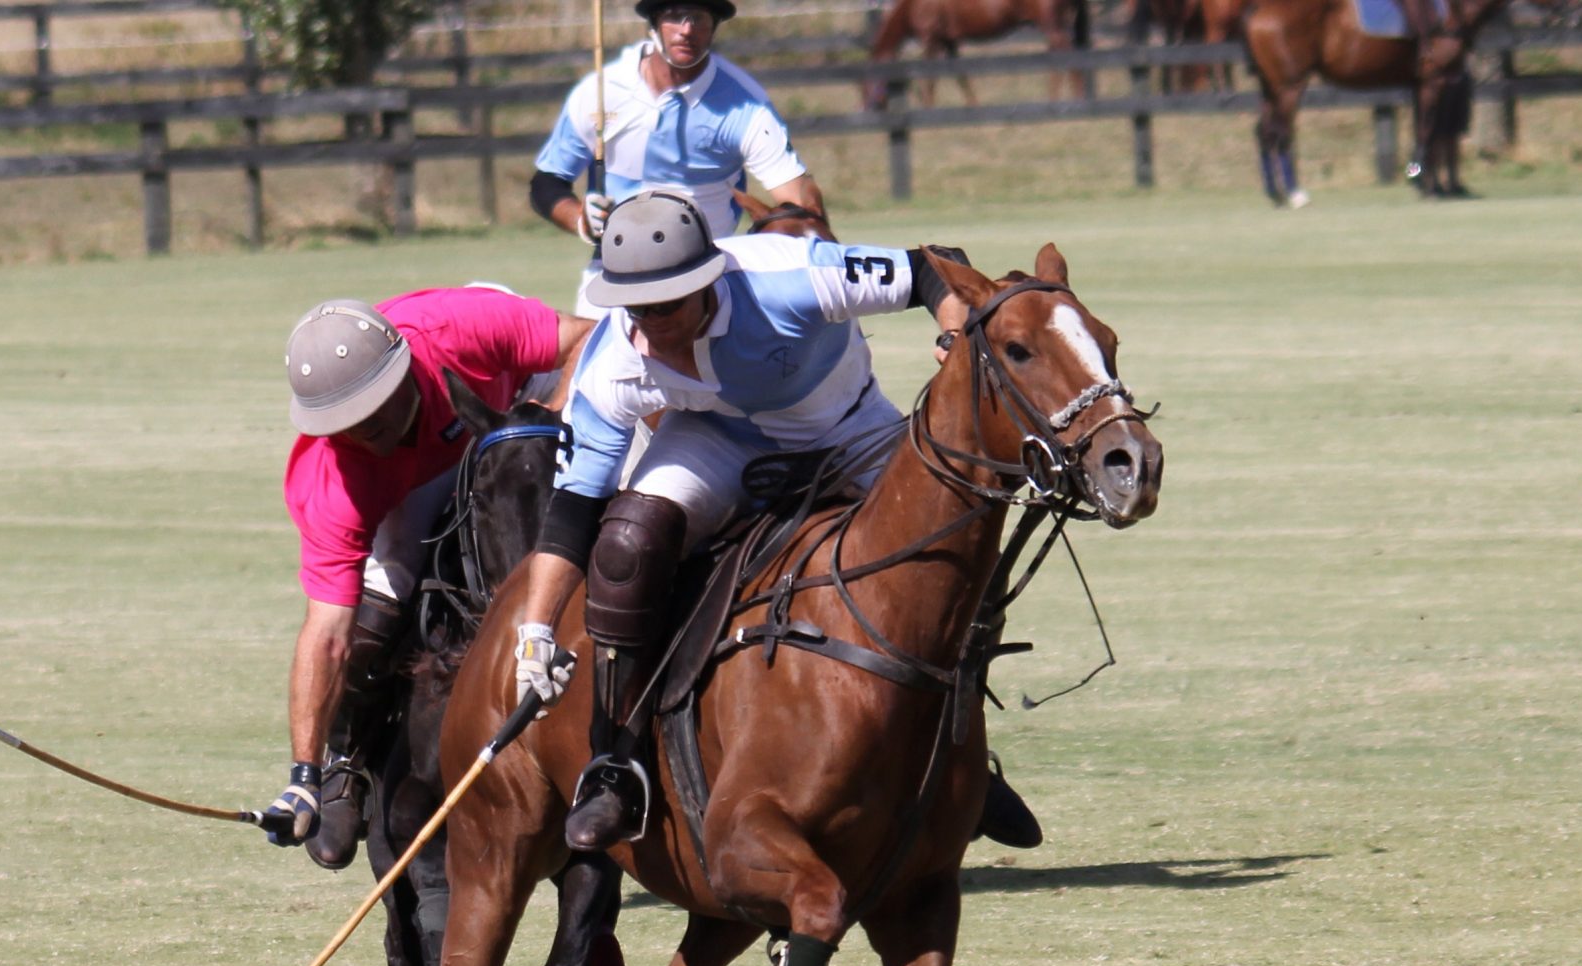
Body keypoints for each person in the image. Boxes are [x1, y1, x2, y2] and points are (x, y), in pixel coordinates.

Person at [505, 190, 1041, 851]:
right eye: (636, 307)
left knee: (961, 558)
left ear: (707, 281)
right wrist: (534, 629)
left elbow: (934, 265)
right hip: (718, 440)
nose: (651, 324)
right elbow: (571, 511)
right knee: (626, 542)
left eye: (668, 304)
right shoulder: (613, 361)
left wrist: (955, 328)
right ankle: (616, 762)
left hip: (851, 432)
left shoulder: (786, 279)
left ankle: (960, 754)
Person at [261, 289, 591, 868]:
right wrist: (301, 774)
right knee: (380, 604)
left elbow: (591, 336)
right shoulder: (336, 473)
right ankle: (346, 766)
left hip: (519, 405)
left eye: (372, 409)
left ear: (403, 370)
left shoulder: (459, 328)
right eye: (345, 421)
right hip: (417, 481)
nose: (362, 429)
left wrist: (550, 417)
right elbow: (328, 634)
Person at [529, 0, 828, 317]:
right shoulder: (601, 91)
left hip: (706, 280)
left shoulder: (746, 105)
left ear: (714, 26)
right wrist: (582, 220)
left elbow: (800, 207)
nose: (687, 30)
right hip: (613, 277)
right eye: (674, 17)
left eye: (698, 18)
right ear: (654, 22)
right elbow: (546, 184)